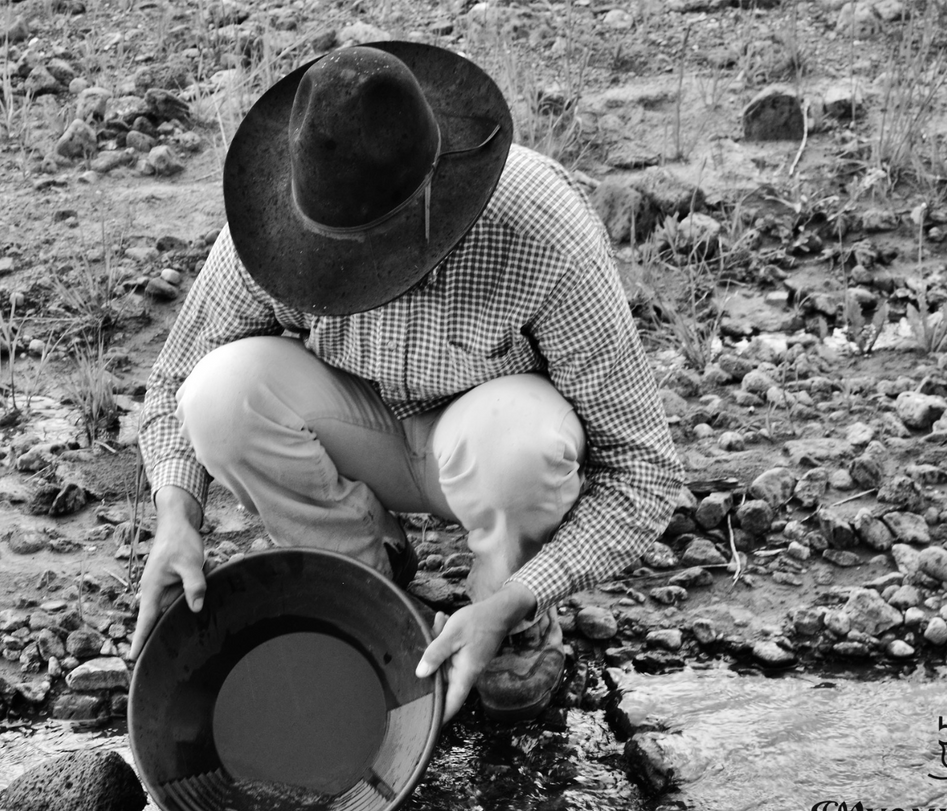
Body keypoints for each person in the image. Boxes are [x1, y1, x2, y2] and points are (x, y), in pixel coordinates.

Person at [131, 41, 684, 723]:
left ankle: (506, 617)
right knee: (216, 394)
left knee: (518, 443)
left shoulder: (540, 229)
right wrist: (177, 518)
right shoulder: (279, 222)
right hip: (360, 430)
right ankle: (372, 591)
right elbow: (172, 381)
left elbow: (643, 472)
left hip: (490, 455)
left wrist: (523, 594)